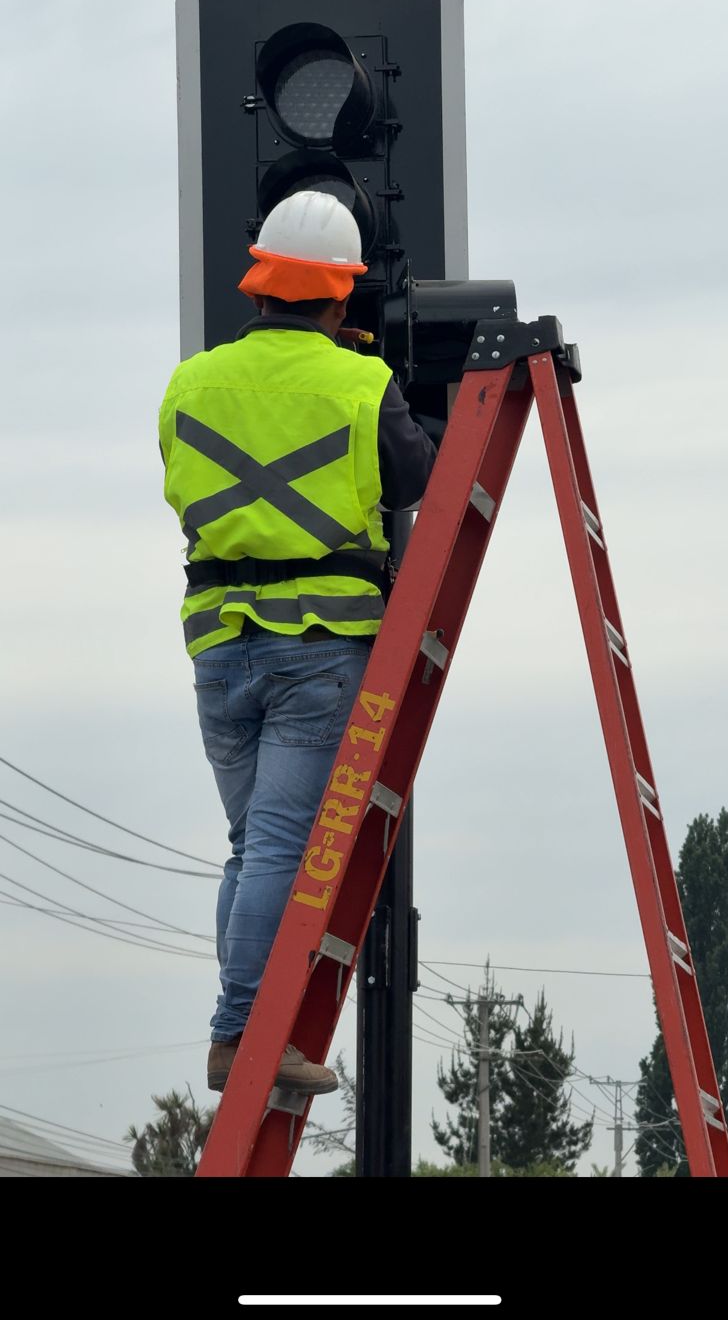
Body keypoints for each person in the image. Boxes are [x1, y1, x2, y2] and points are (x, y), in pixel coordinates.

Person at [158, 190, 437, 1096]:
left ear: (260, 284)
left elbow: (182, 482)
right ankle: (240, 1036)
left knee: (251, 844)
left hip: (217, 640)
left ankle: (241, 1028)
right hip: (317, 640)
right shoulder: (360, 384)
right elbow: (416, 476)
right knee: (281, 843)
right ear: (340, 295)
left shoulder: (190, 382)